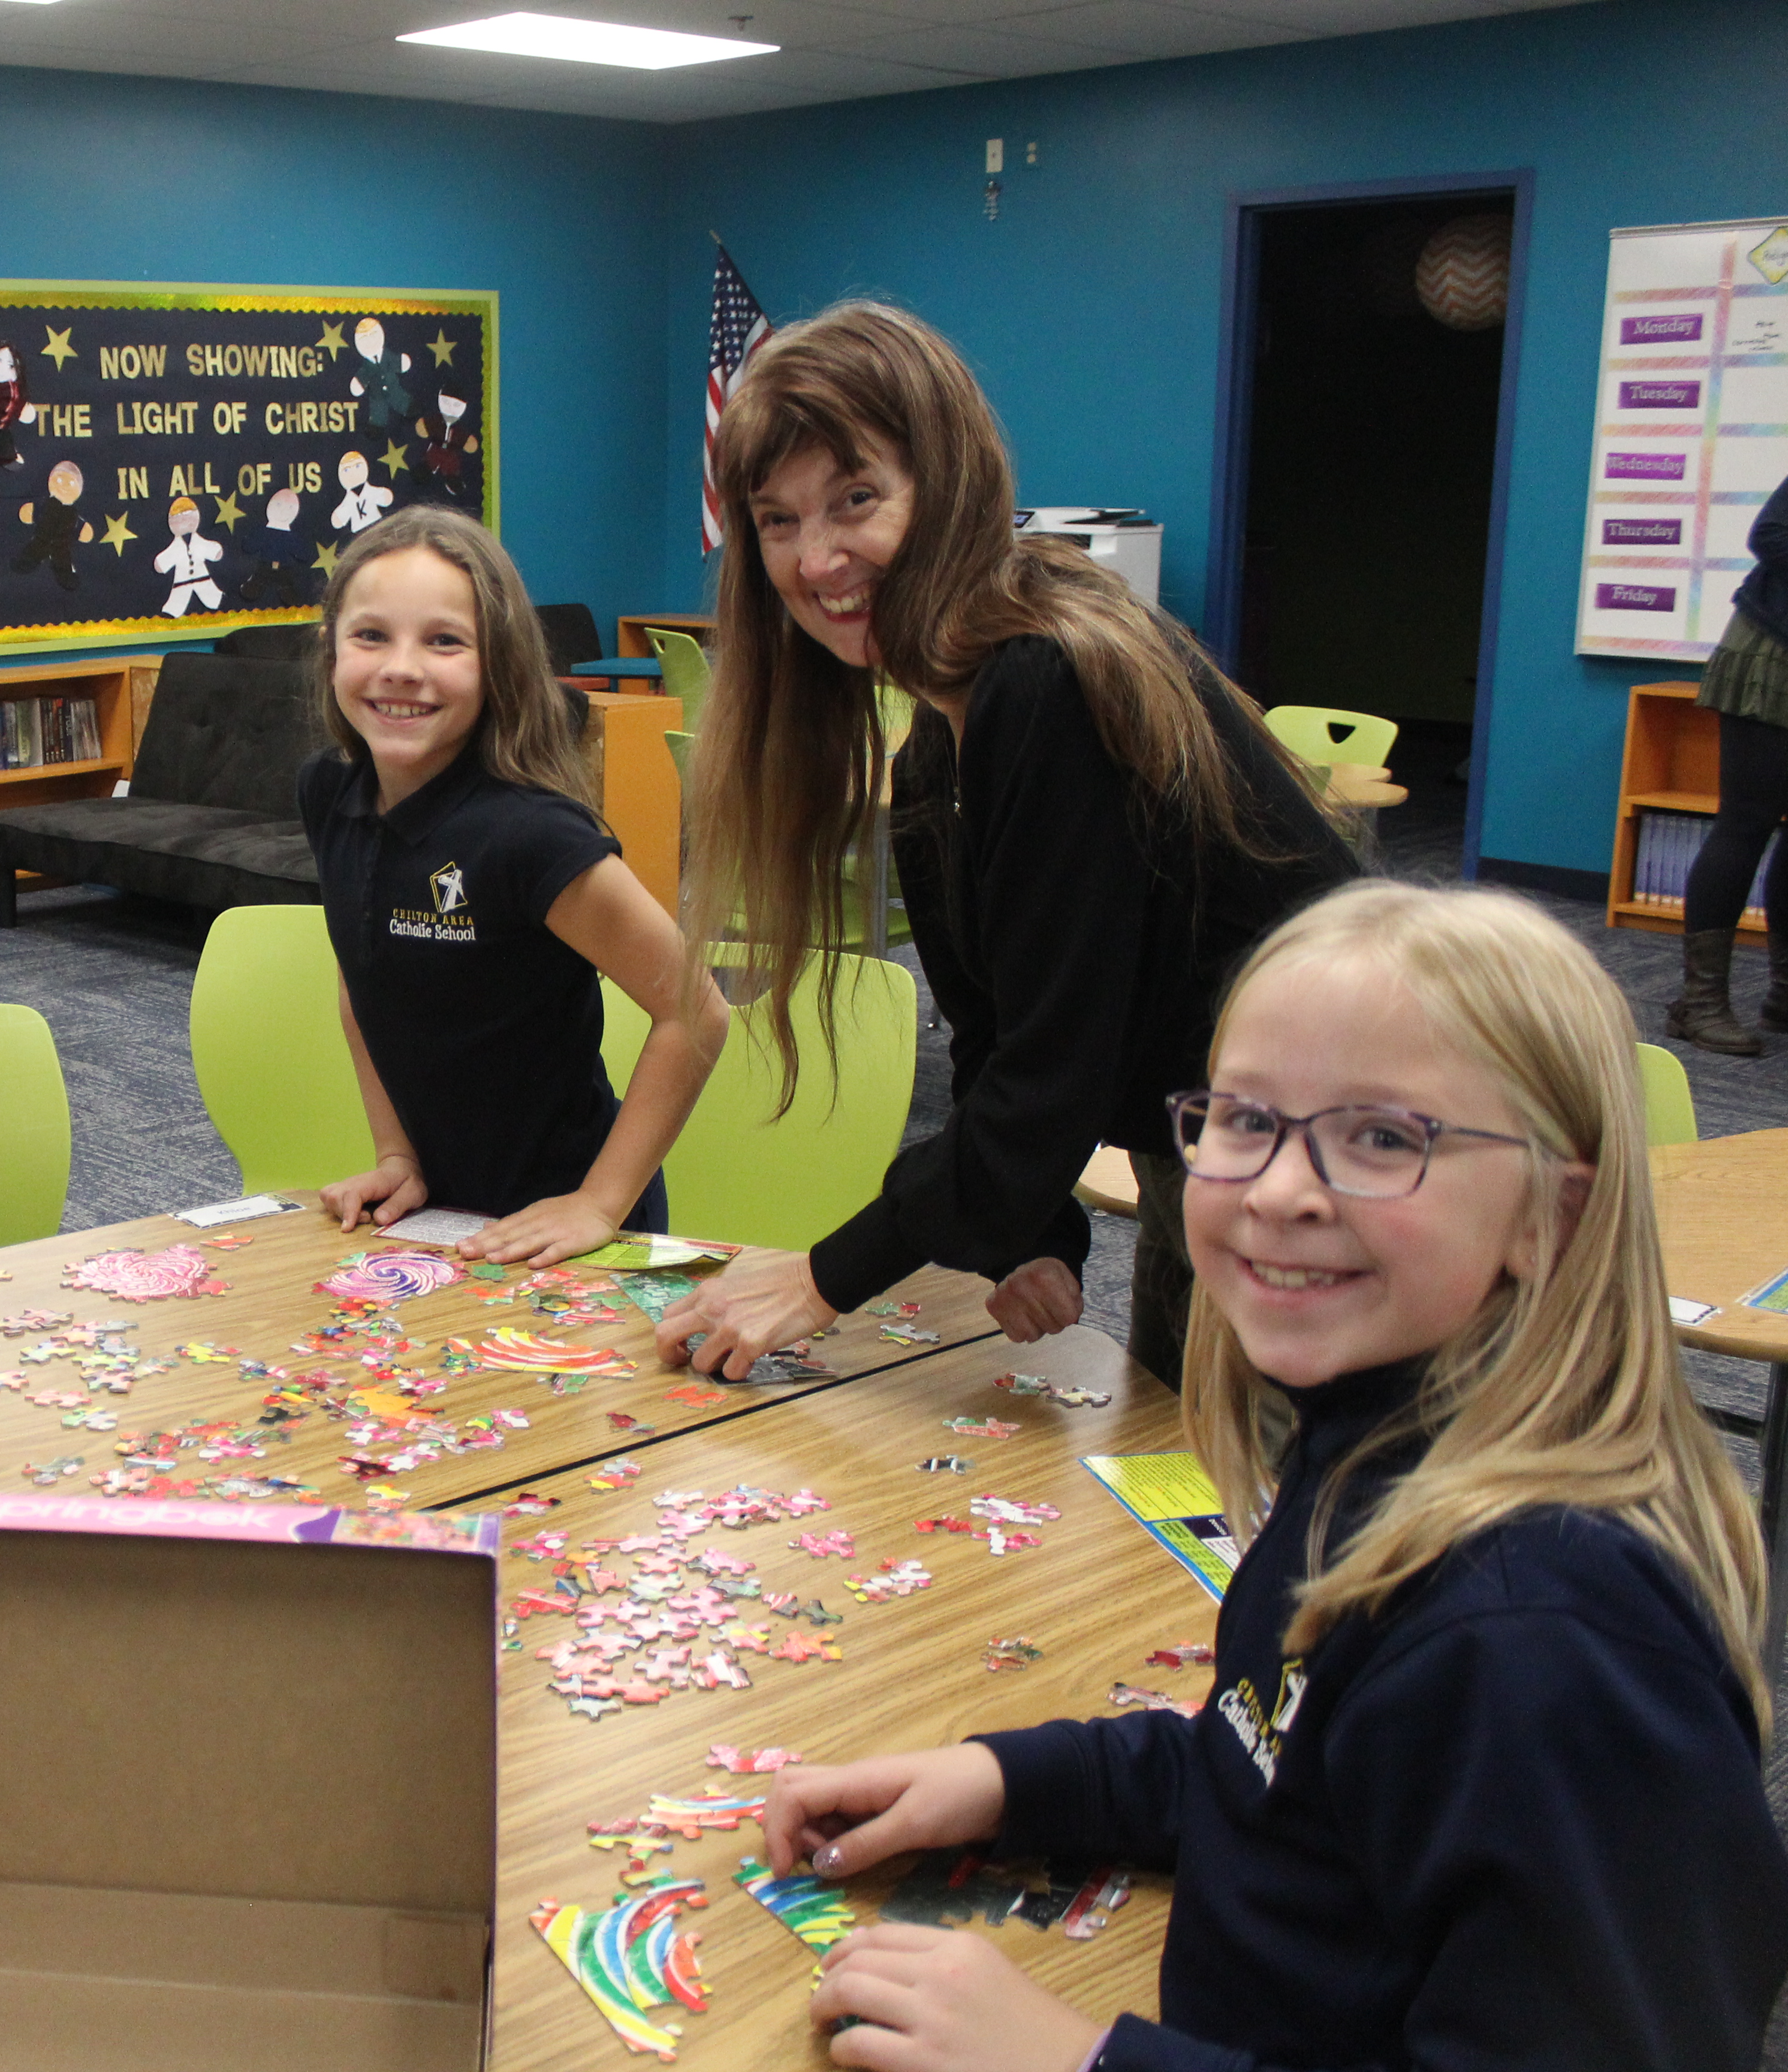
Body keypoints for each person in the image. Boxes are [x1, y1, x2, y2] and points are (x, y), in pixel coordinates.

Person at [752, 881, 1788, 2071]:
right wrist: (1009, 1779)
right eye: (1244, 1120)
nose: (1283, 1189)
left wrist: (1081, 2063)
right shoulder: (1378, 1442)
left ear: (1551, 1214)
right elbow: (1279, 1767)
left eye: (1385, 1138)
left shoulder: (1547, 1644)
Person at [665, 301, 1352, 1387]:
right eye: (776, 521)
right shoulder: (937, 741)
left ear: (945, 486)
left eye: (855, 500)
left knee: (1272, 1513)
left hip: (1349, 1175)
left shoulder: (1044, 679)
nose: (818, 558)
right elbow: (1001, 1032)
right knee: (1179, 1461)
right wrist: (1033, 1232)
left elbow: (1048, 1079)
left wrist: (822, 1277)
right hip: (1214, 1153)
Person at [298, 505, 726, 1264]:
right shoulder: (328, 793)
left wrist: (599, 1204)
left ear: (498, 665)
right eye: (371, 636)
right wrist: (397, 1157)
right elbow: (360, 984)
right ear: (330, 651)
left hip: (565, 1232)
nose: (402, 666)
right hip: (435, 1218)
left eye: (444, 641)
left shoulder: (534, 835)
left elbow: (696, 1014)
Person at [1667, 471, 1788, 1055]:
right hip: (1774, 656)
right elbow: (1772, 534)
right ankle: (1701, 1004)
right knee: (1746, 821)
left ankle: (1784, 994)